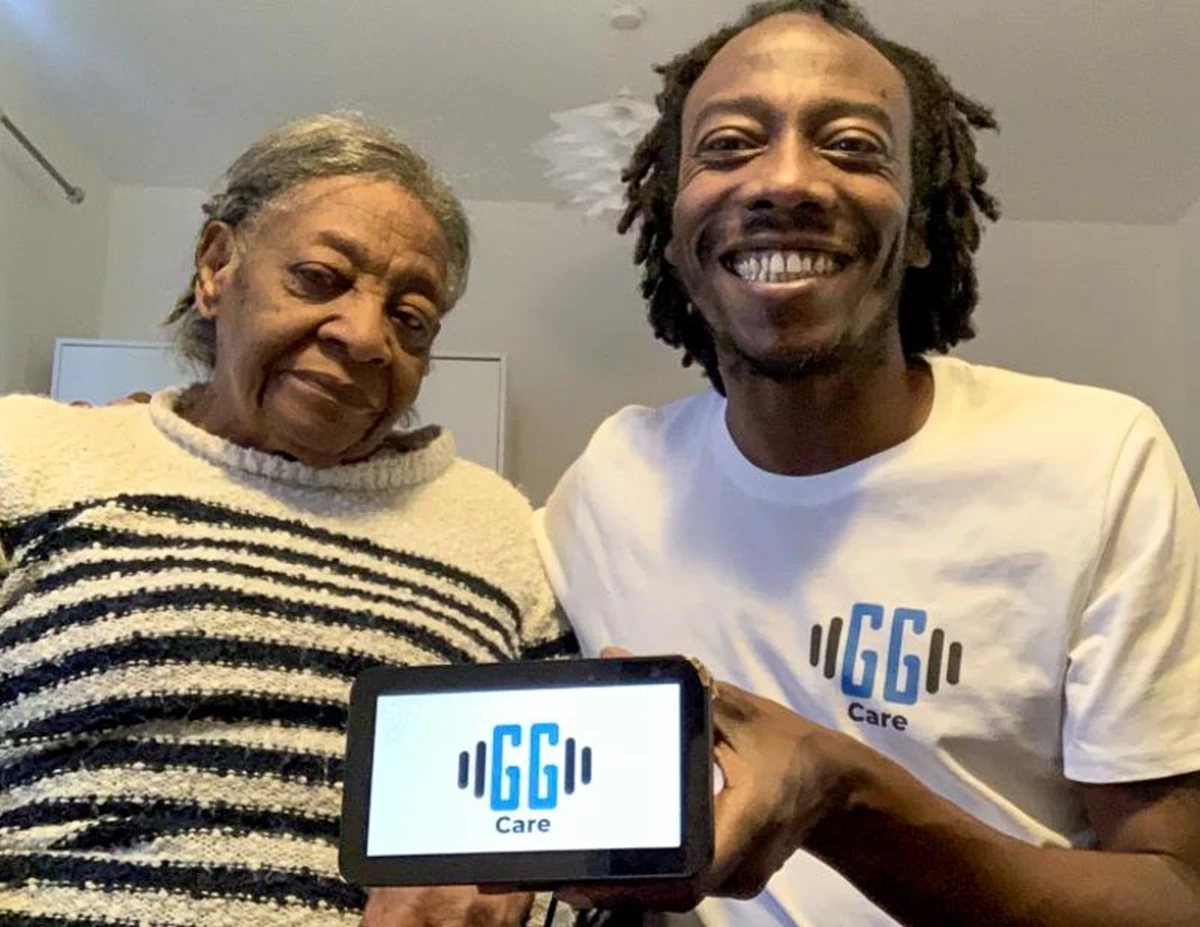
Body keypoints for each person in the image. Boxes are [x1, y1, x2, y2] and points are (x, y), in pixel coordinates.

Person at [536, 1, 1200, 924]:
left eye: (851, 146)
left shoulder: (1098, 462)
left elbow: (1176, 891)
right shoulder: (611, 480)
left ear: (920, 226)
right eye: (729, 144)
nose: (786, 180)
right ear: (673, 221)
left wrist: (849, 798)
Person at [0, 113, 574, 927]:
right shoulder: (29, 456)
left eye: (411, 319)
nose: (366, 336)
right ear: (216, 267)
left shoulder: (504, 532)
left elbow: (564, 848)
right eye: (320, 277)